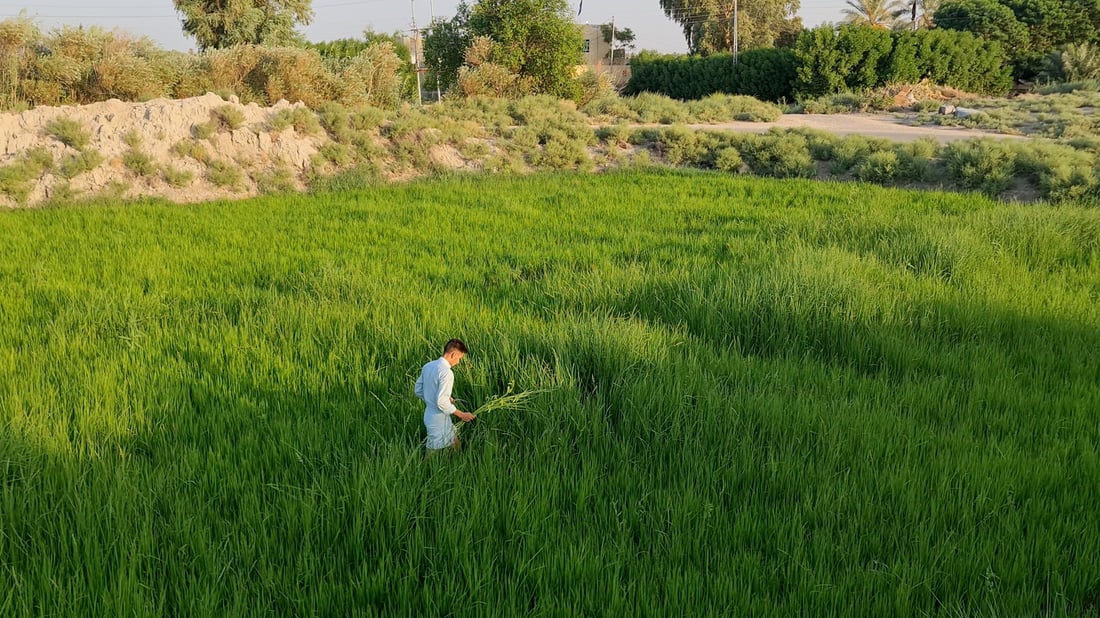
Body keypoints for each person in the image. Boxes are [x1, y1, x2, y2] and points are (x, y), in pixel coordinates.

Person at [414, 339, 476, 452]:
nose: (458, 362)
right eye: (459, 358)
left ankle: (458, 463)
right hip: (438, 419)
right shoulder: (447, 373)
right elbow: (441, 402)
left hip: (431, 414)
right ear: (453, 355)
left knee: (455, 442)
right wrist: (461, 414)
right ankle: (423, 468)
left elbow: (418, 390)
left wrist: (433, 399)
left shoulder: (428, 366)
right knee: (432, 452)